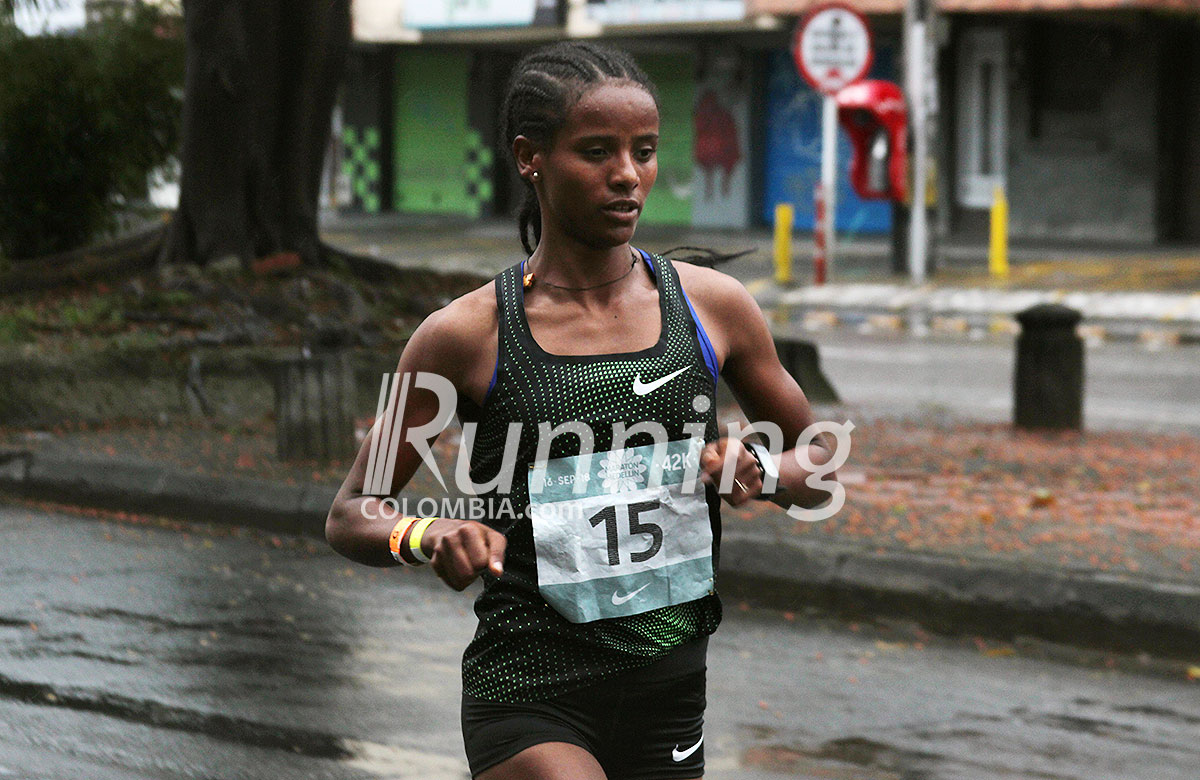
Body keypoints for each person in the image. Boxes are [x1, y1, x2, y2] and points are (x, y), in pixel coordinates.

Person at [326, 41, 840, 780]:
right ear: (530, 156)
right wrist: (427, 531)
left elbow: (822, 464)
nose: (628, 175)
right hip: (529, 689)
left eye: (645, 151)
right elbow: (351, 512)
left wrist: (763, 469)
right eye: (597, 151)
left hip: (669, 691)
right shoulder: (466, 334)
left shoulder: (711, 309)